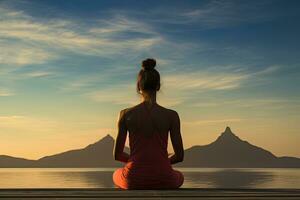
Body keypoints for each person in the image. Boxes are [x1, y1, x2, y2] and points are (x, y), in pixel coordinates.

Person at [112, 58, 184, 189]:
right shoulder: (172, 116)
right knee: (179, 175)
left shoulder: (125, 114)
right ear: (158, 86)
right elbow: (179, 156)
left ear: (138, 87)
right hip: (164, 178)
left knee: (116, 174)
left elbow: (117, 155)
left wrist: (138, 162)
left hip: (133, 179)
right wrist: (160, 163)